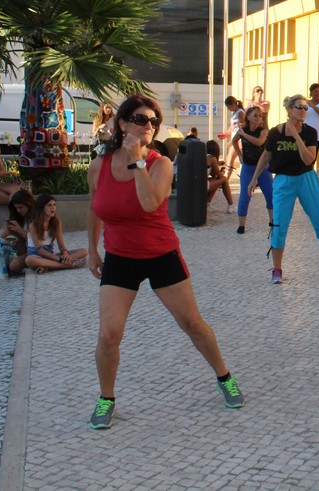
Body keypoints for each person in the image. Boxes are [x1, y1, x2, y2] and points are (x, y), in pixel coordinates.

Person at [87, 95, 244, 430]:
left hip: (160, 255)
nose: (148, 126)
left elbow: (149, 203)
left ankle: (224, 376)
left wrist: (136, 163)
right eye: (141, 119)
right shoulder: (99, 165)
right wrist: (91, 249)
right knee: (108, 335)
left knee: (192, 323)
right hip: (119, 258)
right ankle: (106, 398)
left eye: (153, 121)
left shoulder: (160, 164)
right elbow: (94, 207)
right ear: (123, 123)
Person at [249, 94, 319, 283]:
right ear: (289, 109)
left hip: (306, 179)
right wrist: (254, 179)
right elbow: (266, 156)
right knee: (279, 224)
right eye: (299, 107)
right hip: (283, 181)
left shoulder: (310, 132)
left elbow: (309, 159)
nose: (303, 110)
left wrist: (296, 136)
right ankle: (277, 269)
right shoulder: (275, 133)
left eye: (305, 108)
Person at [232, 105, 273, 234]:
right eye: (255, 115)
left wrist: (244, 135)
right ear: (248, 117)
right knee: (245, 196)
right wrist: (239, 155)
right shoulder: (243, 130)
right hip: (248, 168)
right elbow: (234, 141)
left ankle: (272, 221)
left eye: (260, 116)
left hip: (263, 168)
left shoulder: (263, 131)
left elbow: (259, 142)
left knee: (270, 194)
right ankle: (241, 225)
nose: (258, 118)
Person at [25, 193, 89, 273]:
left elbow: (61, 245)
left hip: (50, 255)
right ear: (41, 208)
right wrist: (60, 259)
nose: (53, 208)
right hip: (37, 255)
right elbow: (39, 250)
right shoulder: (33, 225)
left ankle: (47, 266)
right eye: (49, 205)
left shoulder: (56, 222)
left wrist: (65, 254)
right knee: (29, 260)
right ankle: (67, 265)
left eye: (54, 205)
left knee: (83, 251)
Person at [0, 189, 35, 279]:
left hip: (36, 251)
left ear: (28, 204)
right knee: (4, 232)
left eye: (21, 207)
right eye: (16, 208)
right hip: (25, 248)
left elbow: (36, 243)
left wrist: (20, 230)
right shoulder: (21, 217)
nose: (18, 210)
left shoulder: (36, 218)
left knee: (14, 265)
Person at [204, 140, 234, 213]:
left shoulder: (203, 156)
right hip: (203, 186)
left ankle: (208, 204)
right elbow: (219, 176)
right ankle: (231, 205)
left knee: (216, 180)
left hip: (195, 184)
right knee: (224, 179)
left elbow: (213, 174)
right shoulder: (212, 158)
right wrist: (222, 172)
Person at [223, 96, 245, 171]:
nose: (228, 109)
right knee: (229, 161)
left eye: (228, 107)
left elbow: (242, 127)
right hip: (235, 138)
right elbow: (233, 126)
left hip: (239, 139)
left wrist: (235, 140)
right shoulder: (234, 113)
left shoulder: (240, 113)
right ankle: (226, 176)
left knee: (236, 160)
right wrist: (226, 134)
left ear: (233, 104)